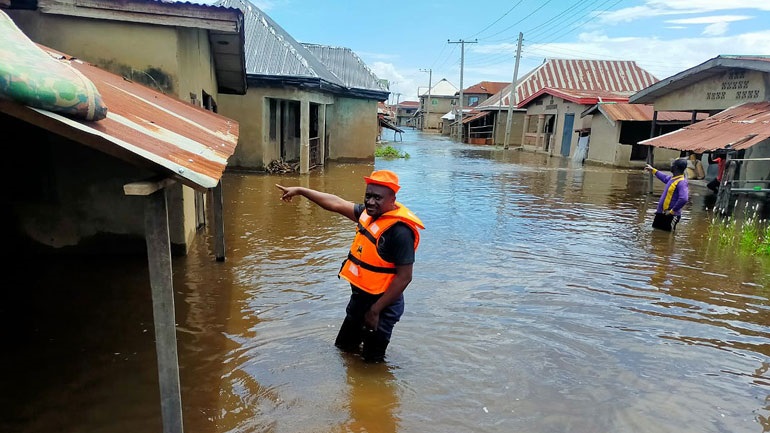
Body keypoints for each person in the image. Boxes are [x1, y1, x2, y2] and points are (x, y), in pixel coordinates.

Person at [275, 170, 425, 362]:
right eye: (368, 196)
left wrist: (375, 311)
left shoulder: (400, 232)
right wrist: (300, 190)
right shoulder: (368, 215)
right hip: (360, 299)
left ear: (392, 199)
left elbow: (405, 277)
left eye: (377, 198)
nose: (371, 202)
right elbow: (335, 203)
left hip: (382, 306)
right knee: (343, 350)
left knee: (372, 364)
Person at [644, 159, 690, 231]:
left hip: (671, 215)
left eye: (673, 165)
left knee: (668, 237)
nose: (671, 166)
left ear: (676, 167)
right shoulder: (673, 179)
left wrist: (672, 211)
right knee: (655, 234)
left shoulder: (682, 182)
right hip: (661, 213)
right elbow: (664, 177)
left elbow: (684, 198)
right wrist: (653, 170)